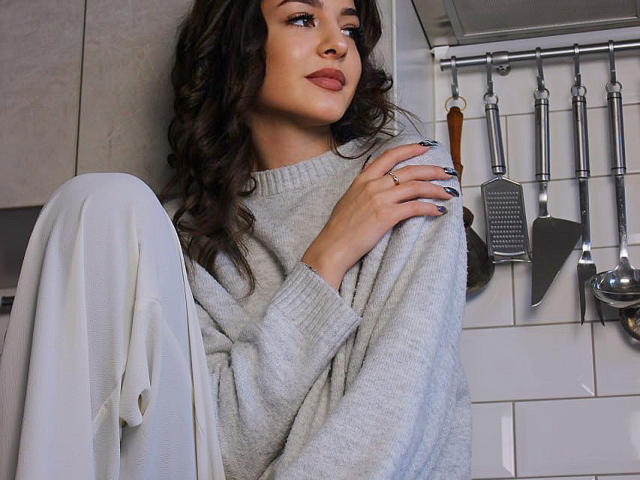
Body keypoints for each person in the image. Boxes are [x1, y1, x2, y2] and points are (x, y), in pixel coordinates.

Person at [0, 0, 471, 479]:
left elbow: (391, 419)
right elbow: (224, 448)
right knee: (97, 202)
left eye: (349, 29)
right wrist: (327, 258)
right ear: (238, 42)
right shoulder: (177, 236)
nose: (338, 45)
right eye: (303, 18)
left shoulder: (402, 175)